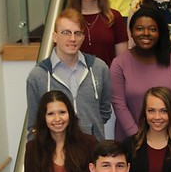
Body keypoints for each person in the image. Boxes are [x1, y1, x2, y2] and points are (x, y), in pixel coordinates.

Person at [26, 9, 112, 140]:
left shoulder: (99, 68)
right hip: (55, 154)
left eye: (77, 33)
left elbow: (104, 112)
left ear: (83, 37)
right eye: (66, 32)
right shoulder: (38, 76)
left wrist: (91, 127)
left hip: (93, 151)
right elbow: (34, 125)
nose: (72, 38)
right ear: (55, 36)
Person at [111, 6, 171, 140]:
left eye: (153, 29)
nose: (146, 33)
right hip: (132, 139)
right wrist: (139, 139)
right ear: (130, 32)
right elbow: (119, 105)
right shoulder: (119, 64)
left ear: (160, 32)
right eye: (140, 28)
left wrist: (163, 138)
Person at [66, 0, 128, 66]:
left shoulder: (114, 17)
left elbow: (123, 62)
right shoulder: (67, 20)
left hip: (108, 80)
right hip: (75, 80)